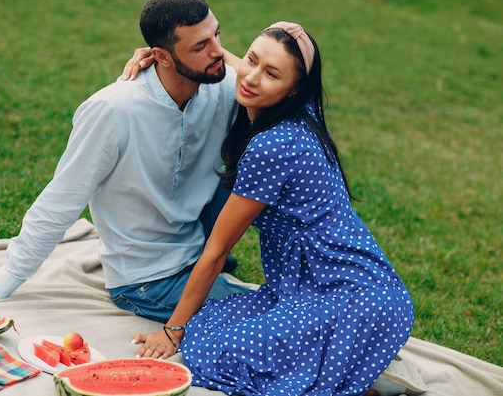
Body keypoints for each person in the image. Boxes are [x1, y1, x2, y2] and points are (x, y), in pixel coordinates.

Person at [0, 0, 252, 323]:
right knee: (272, 318)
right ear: (162, 56)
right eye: (201, 46)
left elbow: (291, 95)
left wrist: (222, 57)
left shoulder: (223, 84)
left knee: (267, 150)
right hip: (146, 279)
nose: (218, 52)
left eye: (217, 36)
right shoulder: (112, 111)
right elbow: (61, 200)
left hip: (194, 244)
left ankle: (209, 259)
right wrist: (1, 282)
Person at [132, 23, 415, 396]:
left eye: (271, 74)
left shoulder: (272, 148)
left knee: (207, 351)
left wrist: (172, 330)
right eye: (251, 59)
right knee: (208, 323)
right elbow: (245, 69)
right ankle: (348, 375)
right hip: (315, 288)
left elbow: (217, 252)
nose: (250, 77)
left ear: (293, 87)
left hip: (353, 296)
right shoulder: (300, 108)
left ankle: (353, 386)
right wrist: (166, 56)